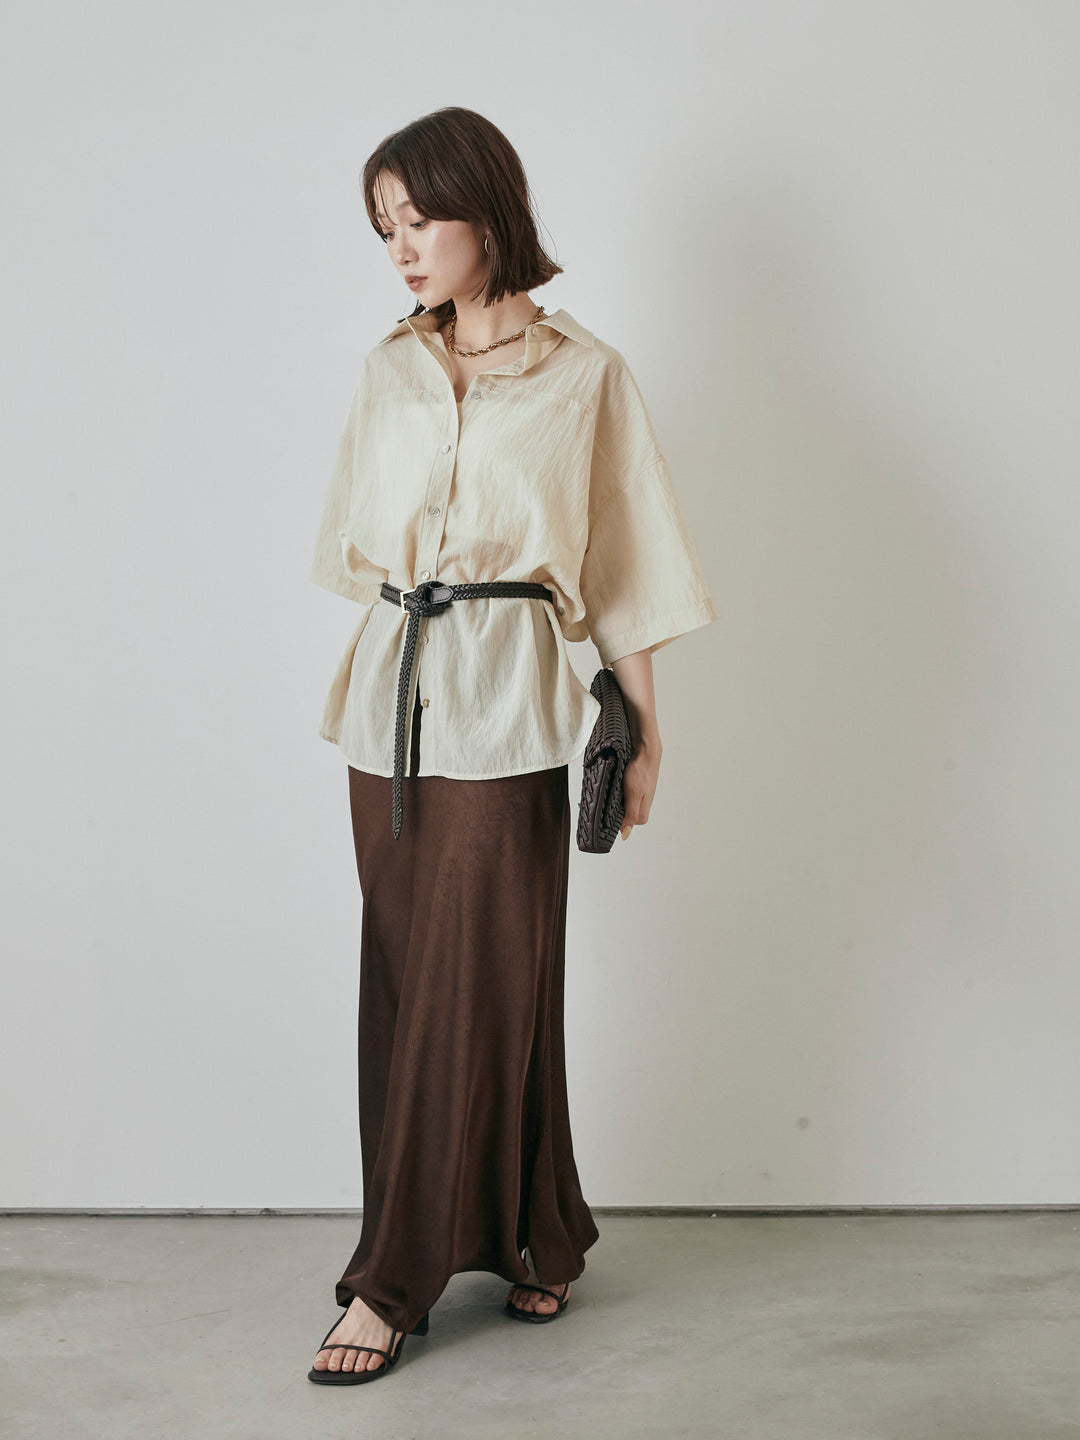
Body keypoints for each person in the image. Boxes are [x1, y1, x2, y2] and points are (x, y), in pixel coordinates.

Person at [306, 106, 717, 1385]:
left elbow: (625, 566)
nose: (400, 247)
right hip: (389, 704)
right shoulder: (388, 368)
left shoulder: (587, 376)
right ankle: (543, 1234)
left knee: (484, 980)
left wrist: (645, 734)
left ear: (486, 209)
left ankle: (391, 1281)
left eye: (418, 218)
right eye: (384, 227)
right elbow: (357, 545)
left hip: (509, 705)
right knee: (407, 981)